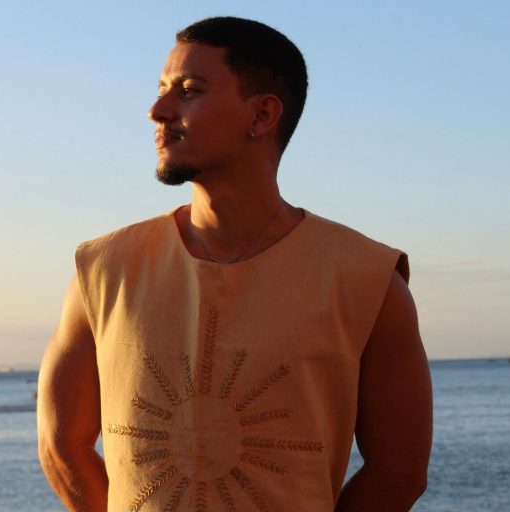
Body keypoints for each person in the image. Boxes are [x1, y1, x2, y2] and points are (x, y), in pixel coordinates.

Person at [37, 16, 432, 512]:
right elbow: (62, 448)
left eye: (189, 91)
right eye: (161, 90)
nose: (158, 110)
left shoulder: (367, 280)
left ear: (262, 114)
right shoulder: (102, 272)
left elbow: (399, 474)